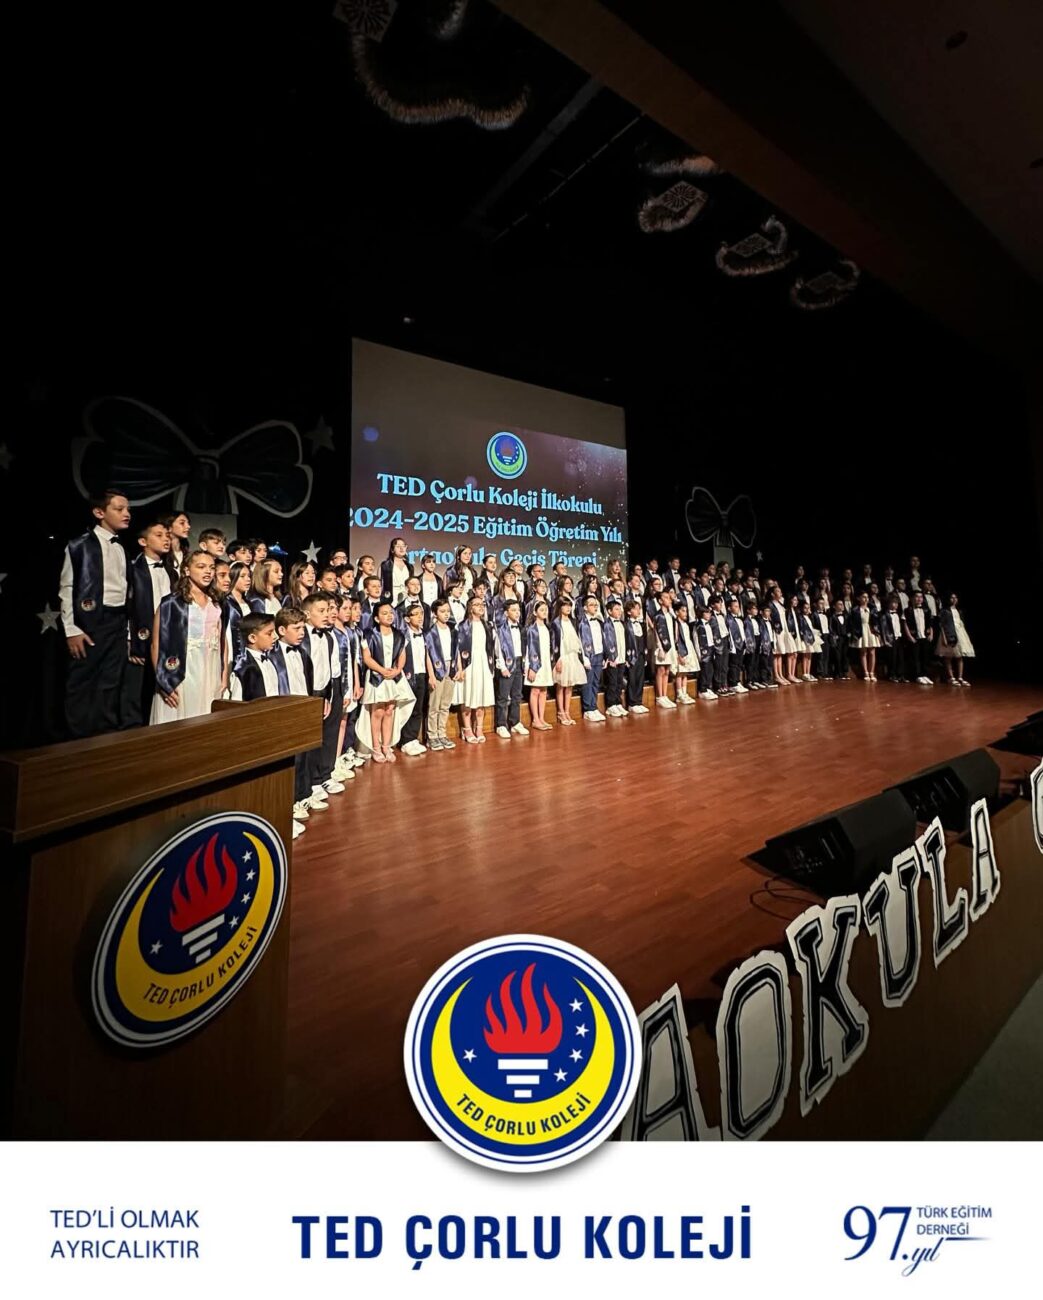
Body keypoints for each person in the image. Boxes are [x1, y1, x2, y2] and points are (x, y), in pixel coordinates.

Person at [59, 489, 133, 737]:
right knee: (83, 680)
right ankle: (77, 738)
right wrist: (72, 629)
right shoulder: (79, 546)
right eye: (119, 509)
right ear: (99, 512)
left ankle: (104, 736)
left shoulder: (122, 547)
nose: (126, 514)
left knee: (111, 680)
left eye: (128, 509)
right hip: (91, 621)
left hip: (118, 620)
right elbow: (68, 588)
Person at [150, 549, 224, 724]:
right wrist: (164, 681)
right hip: (184, 669)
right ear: (187, 570)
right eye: (201, 567)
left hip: (210, 669)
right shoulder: (172, 603)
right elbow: (156, 644)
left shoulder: (216, 602)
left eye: (211, 567)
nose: (208, 571)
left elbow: (222, 642)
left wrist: (224, 676)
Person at [272, 607, 321, 832]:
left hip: (303, 708)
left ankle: (302, 795)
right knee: (289, 760)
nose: (302, 633)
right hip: (284, 711)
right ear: (282, 630)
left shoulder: (302, 652)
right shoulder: (272, 655)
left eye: (303, 628)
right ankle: (288, 803)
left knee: (304, 756)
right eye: (296, 628)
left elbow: (307, 679)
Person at [124, 518, 172, 727]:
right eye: (159, 535)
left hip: (165, 638)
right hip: (141, 638)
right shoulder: (133, 569)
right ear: (143, 542)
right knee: (135, 691)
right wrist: (129, 639)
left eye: (167, 535)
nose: (166, 539)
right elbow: (127, 606)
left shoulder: (170, 570)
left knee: (158, 688)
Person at [358, 600, 414, 761]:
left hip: (393, 676)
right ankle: (375, 747)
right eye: (384, 613)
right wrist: (382, 670)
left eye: (391, 612)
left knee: (390, 710)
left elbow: (402, 655)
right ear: (376, 618)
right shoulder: (369, 634)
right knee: (378, 711)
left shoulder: (399, 635)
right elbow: (367, 658)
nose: (389, 616)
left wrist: (397, 670)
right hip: (376, 676)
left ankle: (386, 745)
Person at [302, 592, 345, 798]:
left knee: (329, 734)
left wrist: (332, 694)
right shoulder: (302, 637)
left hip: (329, 690)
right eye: (321, 611)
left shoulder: (329, 635)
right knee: (311, 738)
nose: (327, 614)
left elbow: (333, 667)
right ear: (307, 614)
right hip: (309, 692)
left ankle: (325, 774)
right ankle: (311, 781)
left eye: (328, 610)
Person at [425, 597, 462, 750]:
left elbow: (457, 651)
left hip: (450, 667)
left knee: (445, 704)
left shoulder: (453, 631)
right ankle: (432, 735)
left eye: (448, 611)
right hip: (437, 668)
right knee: (434, 704)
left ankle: (442, 733)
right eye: (442, 611)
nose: (446, 614)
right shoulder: (430, 633)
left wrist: (459, 668)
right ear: (435, 613)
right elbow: (427, 655)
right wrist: (431, 675)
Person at [457, 594, 495, 742]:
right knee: (468, 696)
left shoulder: (487, 625)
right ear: (470, 607)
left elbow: (490, 648)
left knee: (481, 697)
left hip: (483, 663)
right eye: (477, 604)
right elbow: (458, 649)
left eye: (482, 604)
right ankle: (466, 729)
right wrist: (460, 668)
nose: (481, 607)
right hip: (469, 665)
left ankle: (479, 728)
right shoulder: (463, 626)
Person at [398, 601, 431, 756]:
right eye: (415, 614)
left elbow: (427, 655)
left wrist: (430, 675)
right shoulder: (403, 635)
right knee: (408, 708)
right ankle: (405, 740)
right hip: (408, 675)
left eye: (421, 614)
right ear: (407, 618)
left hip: (421, 674)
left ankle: (412, 738)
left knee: (418, 708)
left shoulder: (424, 634)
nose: (420, 617)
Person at [493, 599, 528, 739]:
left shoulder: (521, 628)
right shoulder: (501, 630)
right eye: (513, 610)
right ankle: (501, 724)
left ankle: (515, 722)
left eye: (518, 610)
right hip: (507, 664)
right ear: (506, 613)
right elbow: (498, 650)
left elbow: (525, 647)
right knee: (503, 696)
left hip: (519, 662)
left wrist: (525, 664)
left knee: (517, 695)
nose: (517, 613)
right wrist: (502, 667)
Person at [551, 596, 585, 725]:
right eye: (565, 605)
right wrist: (557, 660)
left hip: (572, 656)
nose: (568, 608)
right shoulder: (556, 623)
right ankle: (561, 712)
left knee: (570, 685)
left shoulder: (573, 621)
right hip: (562, 656)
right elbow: (554, 643)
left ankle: (567, 711)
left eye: (570, 605)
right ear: (560, 607)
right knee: (561, 685)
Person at [525, 597, 554, 730]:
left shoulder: (547, 628)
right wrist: (531, 667)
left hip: (546, 663)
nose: (544, 612)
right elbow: (530, 649)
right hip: (535, 664)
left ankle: (541, 718)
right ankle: (535, 719)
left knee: (543, 690)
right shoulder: (532, 629)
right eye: (541, 610)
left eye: (546, 610)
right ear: (535, 612)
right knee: (535, 690)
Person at [578, 594, 607, 721]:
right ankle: (588, 709)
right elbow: (581, 642)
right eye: (591, 605)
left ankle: (594, 706)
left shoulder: (599, 622)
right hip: (589, 656)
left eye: (596, 605)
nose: (594, 607)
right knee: (588, 682)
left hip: (599, 654)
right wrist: (584, 658)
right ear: (585, 608)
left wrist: (604, 656)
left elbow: (602, 639)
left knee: (596, 682)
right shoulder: (581, 623)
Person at [936, 593, 975, 686]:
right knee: (948, 656)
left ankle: (960, 677)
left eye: (955, 597)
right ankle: (951, 677)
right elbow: (941, 625)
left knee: (959, 656)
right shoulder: (945, 611)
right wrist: (944, 637)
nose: (954, 599)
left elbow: (961, 622)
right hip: (949, 633)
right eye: (952, 598)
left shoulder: (959, 610)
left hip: (960, 633)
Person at [623, 598, 650, 714]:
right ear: (629, 612)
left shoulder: (641, 624)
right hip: (631, 656)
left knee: (640, 678)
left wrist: (645, 654)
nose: (638, 611)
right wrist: (626, 658)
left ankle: (639, 701)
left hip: (641, 654)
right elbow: (625, 641)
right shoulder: (626, 625)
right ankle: (632, 703)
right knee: (632, 679)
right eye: (635, 609)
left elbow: (644, 640)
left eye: (639, 609)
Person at [601, 599, 627, 716]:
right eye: (616, 609)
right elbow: (606, 642)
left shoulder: (621, 623)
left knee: (619, 682)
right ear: (609, 611)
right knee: (612, 682)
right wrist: (610, 657)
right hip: (612, 659)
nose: (619, 611)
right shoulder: (606, 625)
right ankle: (610, 705)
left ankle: (618, 703)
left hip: (621, 657)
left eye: (620, 609)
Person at [850, 591, 881, 681]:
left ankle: (872, 672)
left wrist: (877, 632)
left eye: (867, 597)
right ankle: (866, 672)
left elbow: (876, 621)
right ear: (859, 598)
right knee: (863, 652)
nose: (866, 599)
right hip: (861, 630)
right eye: (863, 597)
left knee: (872, 652)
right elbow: (853, 623)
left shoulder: (872, 609)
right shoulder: (855, 610)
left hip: (871, 630)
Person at [905, 592, 934, 685]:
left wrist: (931, 634)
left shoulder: (927, 610)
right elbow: (905, 624)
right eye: (917, 597)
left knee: (925, 656)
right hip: (914, 636)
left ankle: (925, 674)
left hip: (925, 636)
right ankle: (917, 675)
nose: (919, 598)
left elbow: (930, 624)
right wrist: (909, 636)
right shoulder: (908, 610)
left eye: (921, 597)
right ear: (912, 598)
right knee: (915, 657)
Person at [879, 594, 907, 683]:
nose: (896, 605)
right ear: (889, 603)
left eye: (897, 603)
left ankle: (900, 675)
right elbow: (883, 629)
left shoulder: (898, 614)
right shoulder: (885, 615)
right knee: (892, 658)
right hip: (890, 639)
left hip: (899, 637)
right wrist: (885, 640)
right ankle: (892, 675)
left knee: (900, 658)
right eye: (894, 603)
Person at [380, 537, 414, 606]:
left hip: (406, 597)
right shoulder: (385, 565)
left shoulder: (409, 566)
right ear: (392, 550)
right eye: (398, 546)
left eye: (403, 546)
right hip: (391, 598)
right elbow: (379, 584)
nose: (401, 548)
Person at [161, 511, 191, 577]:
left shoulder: (186, 554)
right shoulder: (161, 555)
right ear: (169, 527)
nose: (188, 526)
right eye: (182, 523)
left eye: (188, 523)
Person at [829, 599, 851, 681]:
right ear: (834, 606)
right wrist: (834, 635)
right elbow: (830, 627)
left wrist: (849, 633)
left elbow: (849, 626)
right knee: (837, 656)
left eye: (842, 604)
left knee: (845, 655)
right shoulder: (832, 617)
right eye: (839, 604)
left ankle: (845, 672)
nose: (841, 606)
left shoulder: (846, 616)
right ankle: (837, 673)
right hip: (837, 638)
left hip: (845, 638)